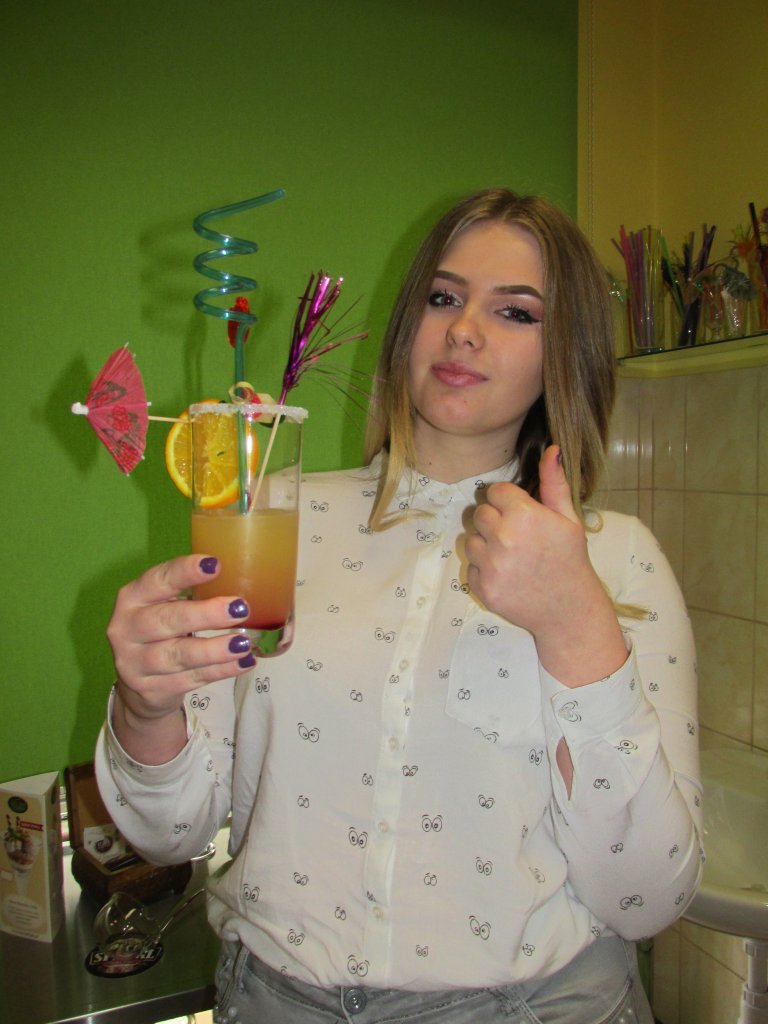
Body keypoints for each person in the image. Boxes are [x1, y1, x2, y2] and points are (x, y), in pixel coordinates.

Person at [96, 188, 702, 1024]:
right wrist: (145, 708)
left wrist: (576, 625)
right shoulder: (273, 517)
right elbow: (171, 833)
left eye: (516, 312)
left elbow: (647, 899)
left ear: (565, 354)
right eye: (443, 298)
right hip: (274, 1001)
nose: (464, 331)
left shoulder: (618, 560)